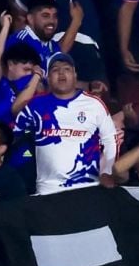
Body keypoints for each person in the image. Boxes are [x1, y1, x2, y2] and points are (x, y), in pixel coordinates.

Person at [13, 52, 117, 194]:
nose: (61, 73)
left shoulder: (95, 104)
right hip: (47, 190)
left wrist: (107, 172)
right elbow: (16, 118)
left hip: (88, 188)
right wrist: (36, 76)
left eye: (67, 69)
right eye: (55, 70)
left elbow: (110, 140)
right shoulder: (36, 104)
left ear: (75, 75)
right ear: (48, 79)